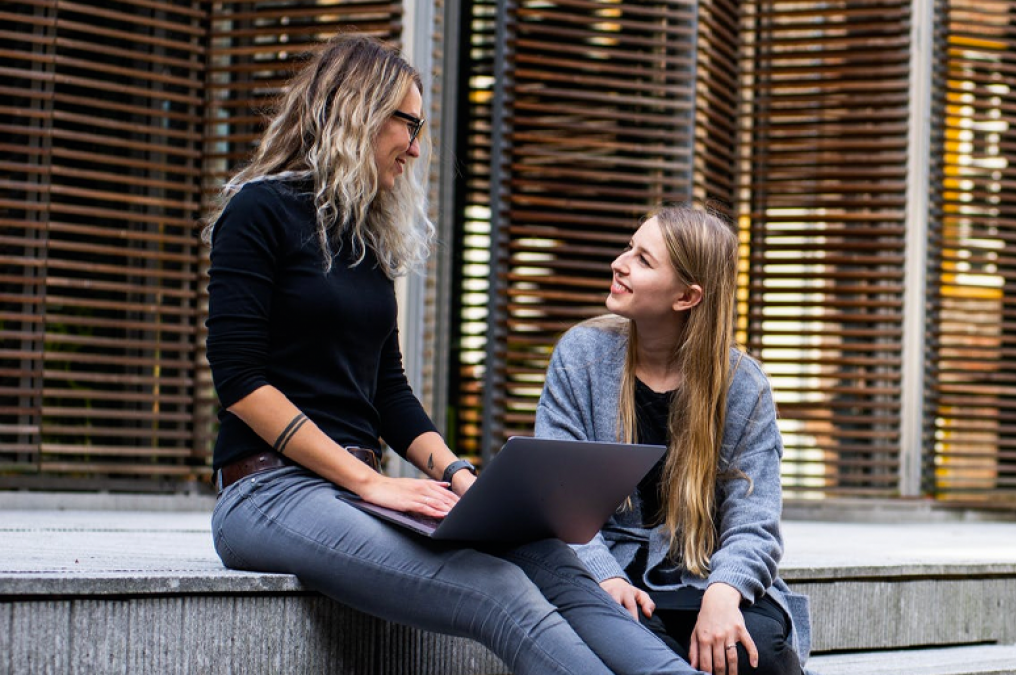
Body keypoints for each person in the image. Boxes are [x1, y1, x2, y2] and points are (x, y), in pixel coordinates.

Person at [203, 35, 699, 675]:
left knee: (549, 557)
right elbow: (240, 381)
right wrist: (374, 482)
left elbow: (388, 394)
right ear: (358, 110)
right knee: (498, 590)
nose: (416, 147)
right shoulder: (259, 211)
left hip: (358, 493)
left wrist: (462, 477)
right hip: (270, 493)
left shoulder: (364, 238)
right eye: (408, 125)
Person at [535, 205, 813, 675]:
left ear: (687, 297)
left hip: (702, 575)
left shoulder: (743, 386)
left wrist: (724, 594)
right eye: (629, 247)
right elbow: (557, 499)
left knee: (755, 653)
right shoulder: (581, 356)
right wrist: (602, 577)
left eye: (642, 260)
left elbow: (755, 521)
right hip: (609, 578)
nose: (619, 263)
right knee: (633, 644)